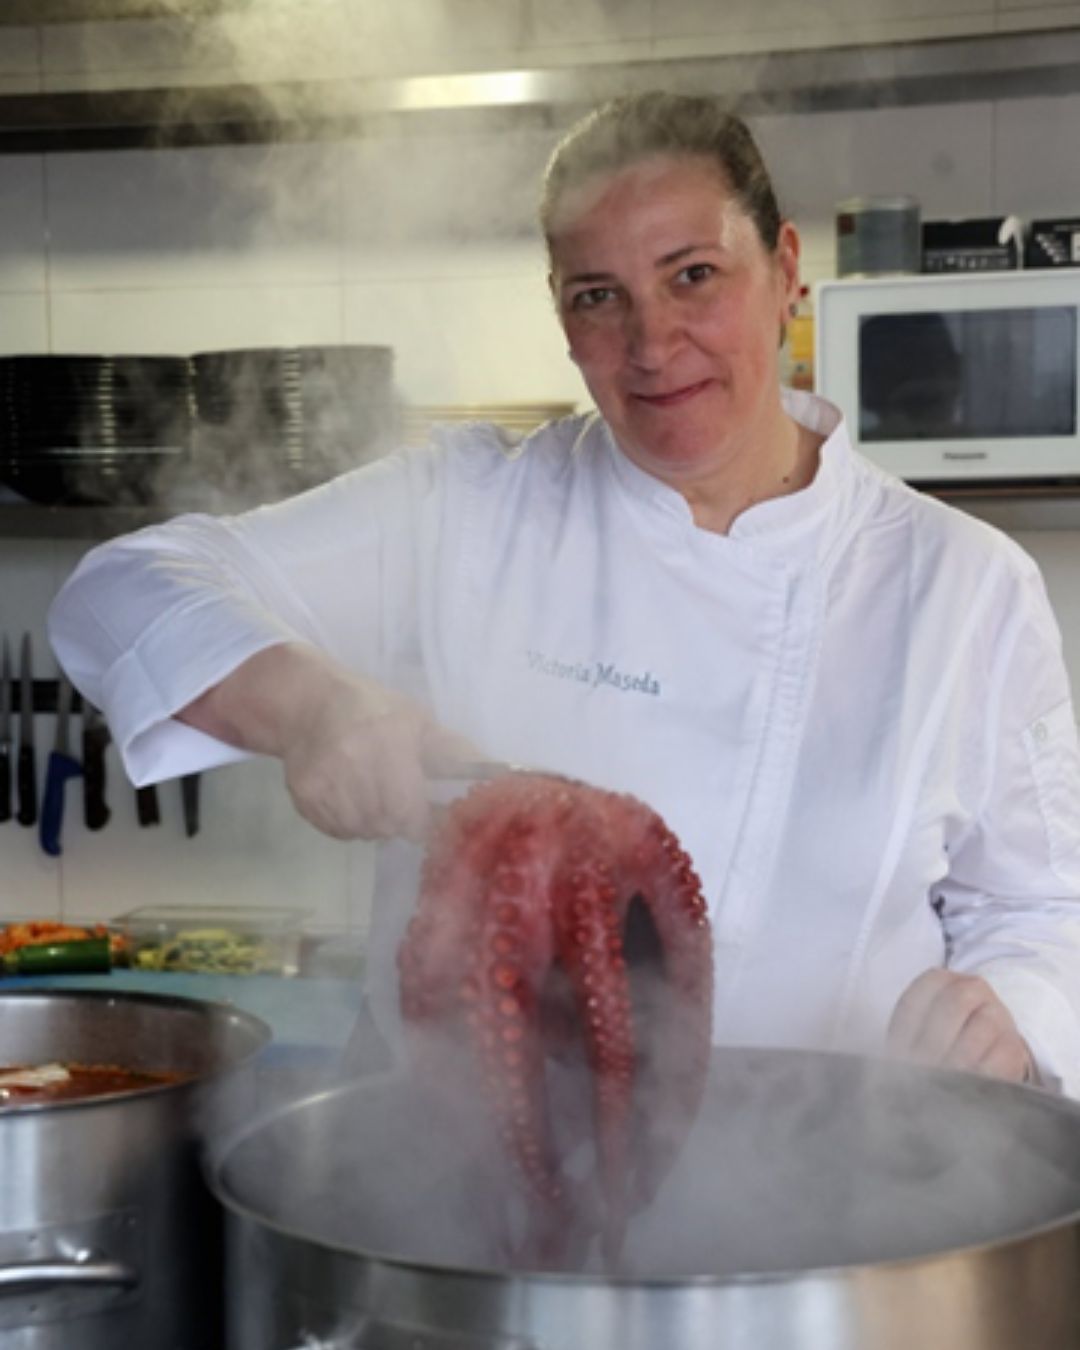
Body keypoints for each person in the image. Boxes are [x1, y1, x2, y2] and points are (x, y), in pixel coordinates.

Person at [48, 92, 1080, 1094]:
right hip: (457, 1171)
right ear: (560, 312)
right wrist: (311, 708)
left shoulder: (965, 586)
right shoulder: (467, 508)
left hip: (840, 1169)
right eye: (598, 295)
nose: (652, 343)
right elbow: (121, 590)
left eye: (694, 275)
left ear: (786, 271)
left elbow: (1043, 912)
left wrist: (1009, 1018)